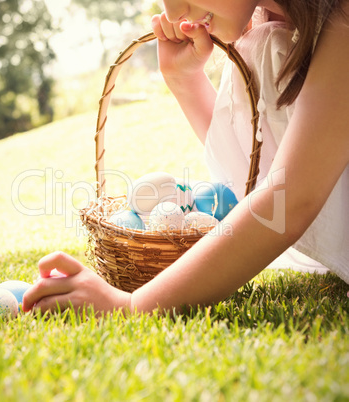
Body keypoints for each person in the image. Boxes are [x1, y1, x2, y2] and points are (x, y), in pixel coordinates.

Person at [22, 0, 349, 315]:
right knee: (262, 45)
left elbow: (289, 200)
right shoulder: (269, 30)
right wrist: (184, 80)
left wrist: (131, 306)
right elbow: (257, 172)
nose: (173, 12)